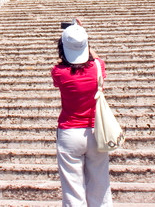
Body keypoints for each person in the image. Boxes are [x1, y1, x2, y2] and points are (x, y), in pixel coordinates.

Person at [52, 19, 112, 206]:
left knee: (72, 190)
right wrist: (81, 33)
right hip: (96, 132)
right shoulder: (97, 68)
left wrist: (71, 35)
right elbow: (94, 59)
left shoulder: (58, 72)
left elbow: (61, 62)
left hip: (70, 132)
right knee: (100, 185)